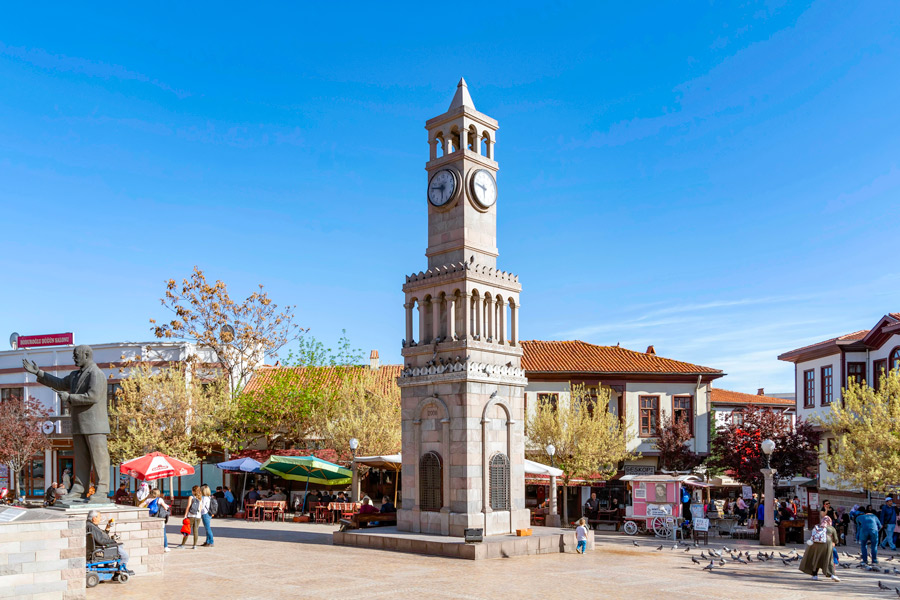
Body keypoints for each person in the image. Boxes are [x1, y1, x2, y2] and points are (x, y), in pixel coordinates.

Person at [86, 510, 134, 575]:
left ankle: (117, 569)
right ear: (94, 518)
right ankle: (119, 571)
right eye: (99, 517)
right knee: (125, 556)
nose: (100, 518)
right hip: (101, 549)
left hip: (101, 547)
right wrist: (113, 541)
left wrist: (108, 527)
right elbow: (101, 541)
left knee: (120, 546)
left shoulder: (91, 525)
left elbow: (101, 536)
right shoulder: (92, 527)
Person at [799, 515, 840, 582]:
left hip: (815, 545)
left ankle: (815, 575)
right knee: (828, 559)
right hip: (826, 544)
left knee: (816, 558)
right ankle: (832, 574)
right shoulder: (831, 528)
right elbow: (836, 540)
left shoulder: (817, 526)